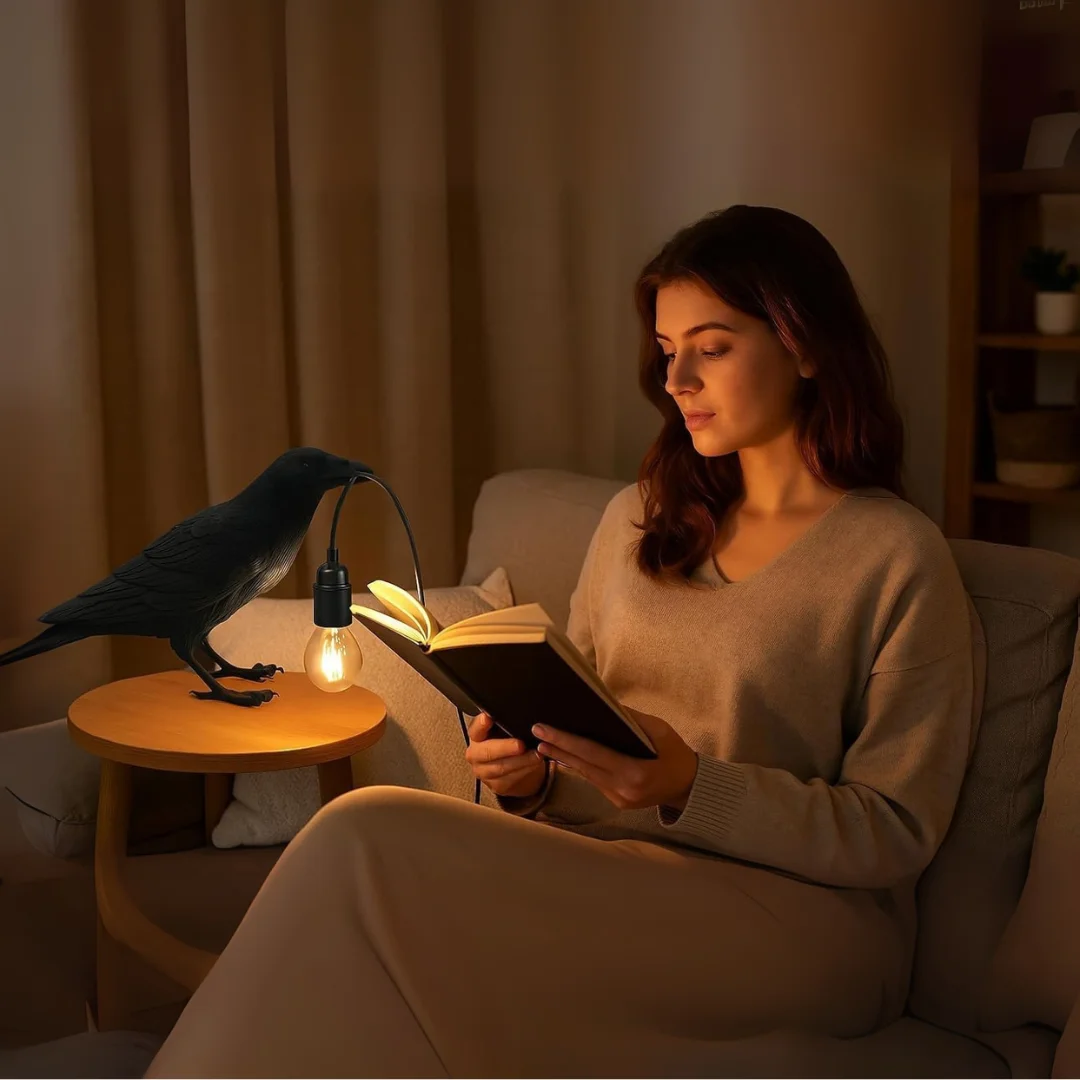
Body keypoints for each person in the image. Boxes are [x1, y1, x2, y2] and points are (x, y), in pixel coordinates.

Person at [146, 206, 979, 1079]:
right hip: (612, 876)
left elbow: (896, 831)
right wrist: (531, 775)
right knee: (363, 899)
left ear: (806, 346)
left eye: (713, 346)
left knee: (364, 837)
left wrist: (693, 785)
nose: (677, 379)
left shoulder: (894, 556)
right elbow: (581, 721)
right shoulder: (638, 520)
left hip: (803, 925)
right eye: (666, 351)